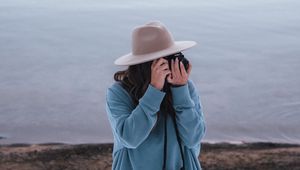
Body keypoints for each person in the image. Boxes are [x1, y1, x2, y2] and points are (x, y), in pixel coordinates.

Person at [105, 20, 206, 170]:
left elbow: (193, 139)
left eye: (174, 57)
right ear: (147, 65)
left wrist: (180, 90)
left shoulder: (185, 88)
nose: (173, 64)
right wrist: (154, 91)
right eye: (166, 59)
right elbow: (130, 138)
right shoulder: (119, 93)